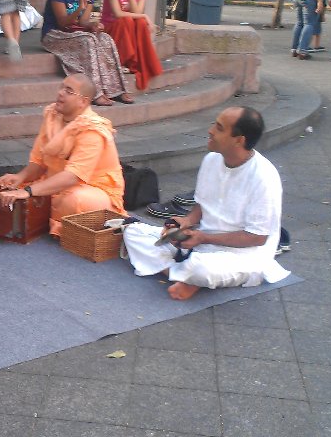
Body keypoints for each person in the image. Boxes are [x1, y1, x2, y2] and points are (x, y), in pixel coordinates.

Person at [122, 107, 290, 300]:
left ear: (239, 140)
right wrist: (185, 222)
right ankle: (187, 277)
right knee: (133, 232)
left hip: (241, 254)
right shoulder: (211, 160)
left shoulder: (264, 177)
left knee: (202, 268)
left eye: (219, 128)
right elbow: (201, 205)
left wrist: (203, 238)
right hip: (200, 242)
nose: (210, 130)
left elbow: (257, 238)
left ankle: (190, 275)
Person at [0, 74, 126, 236]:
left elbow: (73, 177)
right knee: (12, 186)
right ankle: (44, 208)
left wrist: (29, 191)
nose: (60, 93)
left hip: (92, 190)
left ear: (83, 102)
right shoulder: (52, 116)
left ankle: (42, 210)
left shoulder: (92, 130)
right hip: (54, 184)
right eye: (62, 88)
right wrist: (20, 177)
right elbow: (39, 163)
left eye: (69, 91)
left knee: (76, 201)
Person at [42, 0, 134, 107]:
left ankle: (117, 89)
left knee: (105, 39)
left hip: (75, 31)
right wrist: (79, 6)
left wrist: (93, 25)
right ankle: (96, 93)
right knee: (88, 41)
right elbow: (62, 22)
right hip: (54, 34)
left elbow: (83, 21)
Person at [101, 0, 163, 89]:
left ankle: (134, 61)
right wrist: (145, 16)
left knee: (139, 22)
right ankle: (122, 61)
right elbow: (117, 13)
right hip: (110, 27)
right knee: (127, 19)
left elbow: (136, 13)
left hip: (127, 29)